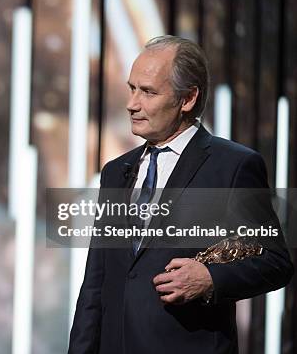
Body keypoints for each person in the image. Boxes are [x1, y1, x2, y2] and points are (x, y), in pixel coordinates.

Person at [68, 35, 293, 354]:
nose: (133, 103)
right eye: (132, 88)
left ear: (187, 99)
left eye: (147, 92)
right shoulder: (116, 172)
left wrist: (210, 278)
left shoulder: (233, 166)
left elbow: (275, 262)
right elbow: (95, 284)